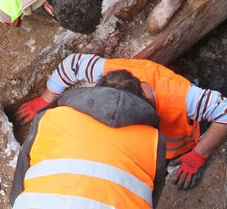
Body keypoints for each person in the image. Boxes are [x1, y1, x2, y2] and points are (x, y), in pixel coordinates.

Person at [16, 54, 227, 190]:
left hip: (178, 149)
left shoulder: (183, 98)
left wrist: (197, 156)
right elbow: (72, 64)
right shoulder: (107, 74)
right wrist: (45, 98)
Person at [11, 70, 167, 208]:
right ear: (139, 100)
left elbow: (23, 167)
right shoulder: (154, 140)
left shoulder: (51, 117)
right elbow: (152, 195)